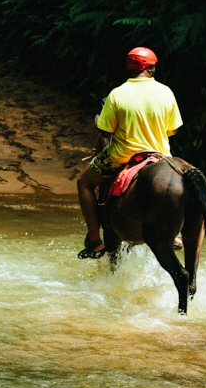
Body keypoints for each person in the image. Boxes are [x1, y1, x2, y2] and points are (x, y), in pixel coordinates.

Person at [76, 47, 183, 259]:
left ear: (129, 67)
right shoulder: (166, 92)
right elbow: (172, 130)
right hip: (160, 156)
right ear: (151, 68)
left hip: (121, 155)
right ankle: (176, 233)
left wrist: (99, 121)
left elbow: (105, 132)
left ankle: (95, 240)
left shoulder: (117, 94)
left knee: (84, 182)